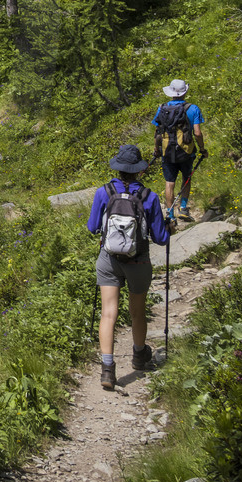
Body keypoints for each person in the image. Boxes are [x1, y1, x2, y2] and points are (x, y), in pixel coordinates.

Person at [87, 144, 170, 391]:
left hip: (108, 259)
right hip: (139, 261)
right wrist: (169, 226)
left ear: (118, 168)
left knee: (108, 314)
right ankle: (138, 355)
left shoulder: (103, 192)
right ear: (139, 171)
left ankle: (107, 369)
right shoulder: (150, 197)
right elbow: (161, 238)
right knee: (137, 312)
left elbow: (93, 227)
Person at [151, 79, 205, 222]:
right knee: (186, 178)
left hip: (167, 151)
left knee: (169, 181)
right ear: (184, 92)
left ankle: (170, 214)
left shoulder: (162, 108)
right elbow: (197, 133)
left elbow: (157, 133)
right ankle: (183, 208)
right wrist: (202, 149)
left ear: (171, 93)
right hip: (186, 151)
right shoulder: (192, 108)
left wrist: (156, 149)